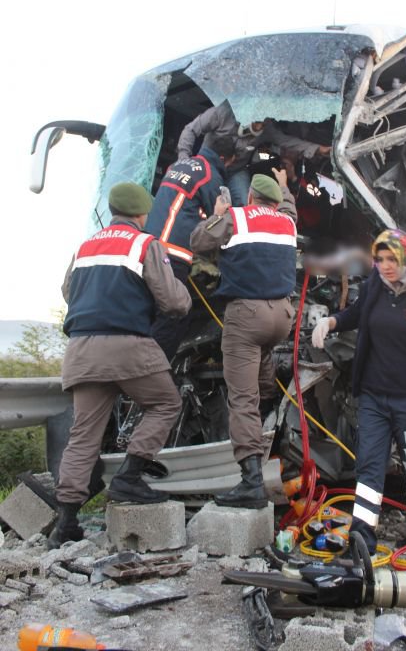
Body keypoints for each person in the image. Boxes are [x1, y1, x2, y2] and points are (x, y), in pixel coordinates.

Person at [48, 182, 192, 549]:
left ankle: (65, 524)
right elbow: (174, 303)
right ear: (143, 214)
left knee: (83, 435)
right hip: (128, 346)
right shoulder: (145, 244)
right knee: (166, 404)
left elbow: (68, 290)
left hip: (81, 349)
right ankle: (130, 476)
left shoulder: (84, 247)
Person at [312, 228, 406, 554]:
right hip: (374, 396)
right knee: (368, 463)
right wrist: (332, 322)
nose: (384, 266)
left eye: (392, 259)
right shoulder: (373, 288)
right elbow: (355, 314)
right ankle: (362, 536)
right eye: (379, 259)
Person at [190, 170, 297, 508]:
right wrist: (284, 184)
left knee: (241, 399)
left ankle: (251, 481)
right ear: (276, 201)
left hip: (246, 317)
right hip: (281, 317)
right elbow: (290, 208)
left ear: (249, 197)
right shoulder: (287, 222)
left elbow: (198, 242)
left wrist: (220, 212)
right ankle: (267, 413)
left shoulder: (236, 217)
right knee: (262, 366)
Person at [145, 134, 236, 361]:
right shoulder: (210, 176)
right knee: (176, 316)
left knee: (150, 314)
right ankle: (150, 372)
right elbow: (216, 227)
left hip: (149, 249)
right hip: (173, 255)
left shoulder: (178, 165)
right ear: (225, 158)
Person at [176, 99, 331, 205]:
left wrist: (318, 149)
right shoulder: (222, 113)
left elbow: (287, 141)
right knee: (199, 196)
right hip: (208, 164)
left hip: (236, 170)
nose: (260, 127)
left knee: (245, 202)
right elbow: (190, 130)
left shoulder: (267, 128)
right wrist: (184, 161)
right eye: (258, 122)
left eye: (264, 122)